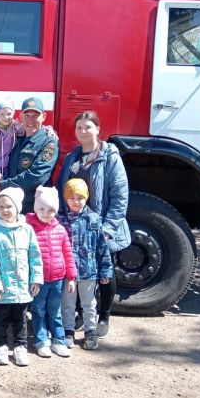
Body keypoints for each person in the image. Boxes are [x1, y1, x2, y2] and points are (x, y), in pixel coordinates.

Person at [56, 110, 130, 338]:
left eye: (88, 127)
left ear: (98, 129)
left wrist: (107, 230)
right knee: (78, 274)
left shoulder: (110, 157)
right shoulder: (73, 157)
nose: (83, 131)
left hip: (101, 228)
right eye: (79, 128)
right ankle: (81, 313)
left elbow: (120, 196)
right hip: (76, 227)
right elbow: (62, 190)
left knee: (105, 274)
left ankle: (104, 317)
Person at [0, 187, 42, 367]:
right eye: (0, 207)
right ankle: (1, 347)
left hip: (22, 285)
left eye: (9, 206)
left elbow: (34, 255)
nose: (4, 210)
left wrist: (36, 278)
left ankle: (20, 347)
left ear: (17, 207)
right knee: (0, 319)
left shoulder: (27, 230)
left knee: (21, 319)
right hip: (2, 287)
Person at [59, 178, 114, 351]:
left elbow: (102, 248)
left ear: (86, 198)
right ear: (66, 199)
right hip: (67, 272)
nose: (76, 201)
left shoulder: (94, 219)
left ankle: (90, 330)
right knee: (67, 302)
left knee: (89, 303)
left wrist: (105, 271)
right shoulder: (60, 221)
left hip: (89, 271)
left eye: (80, 198)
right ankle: (68, 330)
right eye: (72, 197)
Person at [26, 186, 76, 358]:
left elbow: (68, 254)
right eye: (42, 209)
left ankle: (59, 340)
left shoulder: (60, 229)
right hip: (37, 280)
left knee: (55, 311)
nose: (46, 213)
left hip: (57, 279)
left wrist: (70, 278)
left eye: (51, 210)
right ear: (35, 208)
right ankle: (41, 341)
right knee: (38, 310)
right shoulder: (28, 229)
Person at [0, 97, 59, 214]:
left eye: (35, 115)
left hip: (33, 209)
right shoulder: (18, 138)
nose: (30, 120)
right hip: (14, 205)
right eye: (27, 115)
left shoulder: (49, 142)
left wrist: (1, 186)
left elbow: (37, 176)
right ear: (21, 117)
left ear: (44, 117)